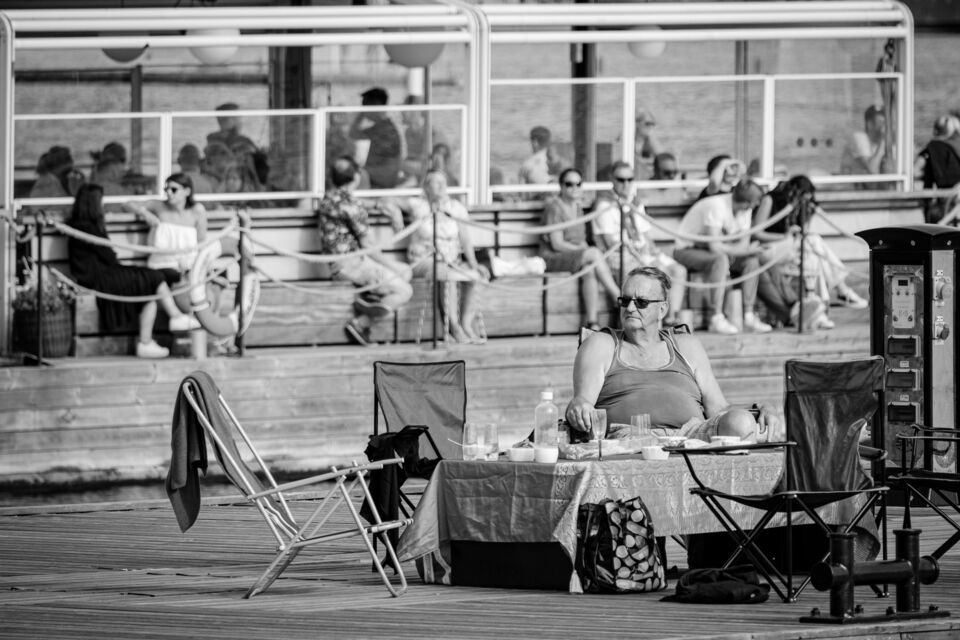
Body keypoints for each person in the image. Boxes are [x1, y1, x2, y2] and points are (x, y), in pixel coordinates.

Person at [564, 265, 782, 441]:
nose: (630, 308)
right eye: (625, 301)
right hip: (629, 438)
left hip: (693, 436)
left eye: (641, 302)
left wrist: (759, 409)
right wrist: (578, 406)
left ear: (662, 309)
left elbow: (718, 408)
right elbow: (582, 402)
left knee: (741, 423)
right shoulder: (602, 343)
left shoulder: (686, 345)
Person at [68, 183, 200, 359]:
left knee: (150, 284)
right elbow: (109, 257)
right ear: (93, 203)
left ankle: (146, 342)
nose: (103, 205)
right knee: (152, 277)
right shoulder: (87, 228)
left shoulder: (82, 225)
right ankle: (174, 317)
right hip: (100, 277)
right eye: (101, 201)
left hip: (103, 273)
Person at [316, 156, 413, 346]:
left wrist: (378, 204)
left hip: (340, 265)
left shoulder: (328, 199)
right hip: (353, 266)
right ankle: (361, 324)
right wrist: (390, 265)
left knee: (406, 271)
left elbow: (351, 202)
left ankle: (372, 297)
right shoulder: (352, 207)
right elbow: (369, 246)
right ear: (356, 177)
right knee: (405, 290)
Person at [753, 175, 867, 330]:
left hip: (791, 248)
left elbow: (804, 232)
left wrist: (806, 213)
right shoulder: (770, 200)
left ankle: (819, 314)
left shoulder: (799, 206)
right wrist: (784, 236)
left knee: (814, 258)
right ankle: (841, 290)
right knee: (813, 241)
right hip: (768, 248)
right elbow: (756, 233)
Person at [590, 161, 687, 326]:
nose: (626, 184)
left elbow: (645, 234)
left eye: (630, 179)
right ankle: (655, 324)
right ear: (612, 180)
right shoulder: (604, 204)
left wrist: (652, 250)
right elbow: (610, 242)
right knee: (658, 271)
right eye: (621, 180)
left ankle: (671, 318)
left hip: (642, 252)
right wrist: (639, 252)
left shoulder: (635, 202)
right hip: (620, 255)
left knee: (679, 271)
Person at [673, 178, 772, 335]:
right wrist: (742, 250)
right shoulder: (716, 206)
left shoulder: (745, 211)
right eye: (756, 202)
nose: (756, 205)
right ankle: (716, 317)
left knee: (751, 261)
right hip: (686, 249)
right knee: (720, 260)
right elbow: (715, 247)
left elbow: (741, 246)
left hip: (714, 252)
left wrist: (744, 251)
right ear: (749, 202)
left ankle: (748, 316)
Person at [403, 170, 489, 344]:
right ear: (426, 187)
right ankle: (453, 328)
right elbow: (387, 201)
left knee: (475, 275)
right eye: (436, 182)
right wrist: (396, 219)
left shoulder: (455, 208)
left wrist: (474, 263)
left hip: (452, 260)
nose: (442, 186)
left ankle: (466, 324)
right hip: (424, 260)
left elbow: (465, 239)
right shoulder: (418, 205)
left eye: (443, 181)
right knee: (445, 274)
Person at [540, 167, 621, 331]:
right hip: (553, 257)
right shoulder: (554, 207)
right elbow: (557, 244)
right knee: (593, 254)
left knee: (589, 269)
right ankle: (618, 297)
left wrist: (585, 251)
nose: (574, 188)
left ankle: (592, 321)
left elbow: (582, 240)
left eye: (578, 184)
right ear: (561, 186)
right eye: (569, 184)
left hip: (575, 256)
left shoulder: (578, 208)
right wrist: (584, 251)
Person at [123, 173, 207, 287]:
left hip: (189, 266)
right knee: (179, 280)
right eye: (166, 189)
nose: (169, 193)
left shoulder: (197, 210)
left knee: (213, 277)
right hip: (162, 265)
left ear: (187, 191)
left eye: (173, 189)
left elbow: (201, 242)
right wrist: (145, 213)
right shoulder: (159, 206)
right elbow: (127, 204)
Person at [349, 86, 403, 189]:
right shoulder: (379, 127)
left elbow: (388, 168)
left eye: (365, 105)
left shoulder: (387, 130)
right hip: (376, 179)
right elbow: (353, 134)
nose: (363, 109)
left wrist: (360, 171)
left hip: (382, 182)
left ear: (376, 105)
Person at [914, 115, 960, 223]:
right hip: (950, 196)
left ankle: (941, 224)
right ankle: (941, 224)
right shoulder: (939, 148)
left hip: (946, 196)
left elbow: (915, 170)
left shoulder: (931, 149)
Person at [840, 105, 894, 189]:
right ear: (870, 124)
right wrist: (884, 138)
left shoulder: (884, 143)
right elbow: (872, 170)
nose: (885, 128)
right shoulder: (859, 137)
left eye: (886, 124)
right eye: (881, 123)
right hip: (852, 193)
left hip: (872, 192)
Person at [633, 107, 663, 180]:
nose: (651, 127)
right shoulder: (628, 140)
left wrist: (651, 137)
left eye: (653, 124)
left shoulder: (650, 141)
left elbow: (662, 157)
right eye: (647, 124)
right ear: (637, 123)